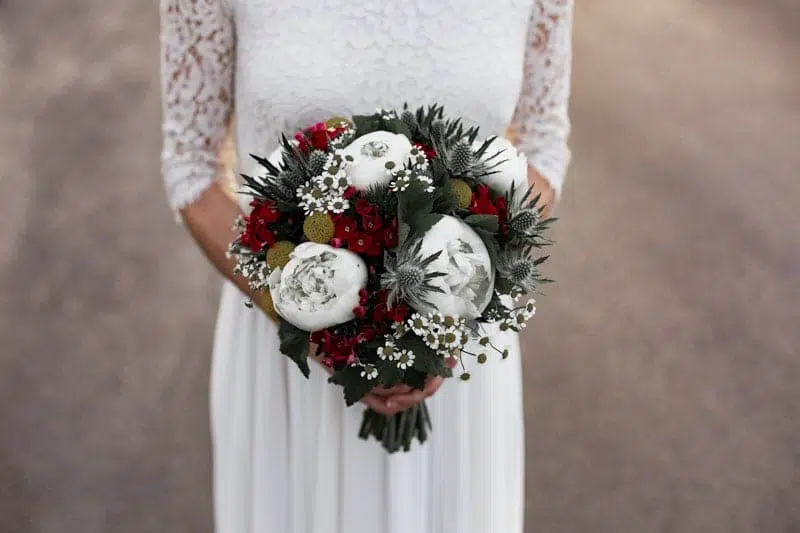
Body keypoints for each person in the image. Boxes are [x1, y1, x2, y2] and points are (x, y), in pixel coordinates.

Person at [158, 1, 574, 532]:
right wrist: (307, 317)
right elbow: (190, 170)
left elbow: (544, 147)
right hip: (290, 354)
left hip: (457, 349)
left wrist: (453, 309)